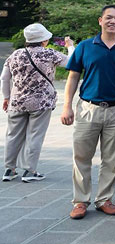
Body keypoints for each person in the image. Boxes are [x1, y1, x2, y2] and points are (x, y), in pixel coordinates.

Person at [61, 6, 115, 220]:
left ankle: (104, 199)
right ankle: (80, 200)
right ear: (100, 20)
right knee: (81, 156)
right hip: (88, 108)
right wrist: (67, 105)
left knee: (111, 158)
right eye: (109, 18)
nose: (113, 21)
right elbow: (73, 77)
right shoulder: (86, 46)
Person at [2, 24, 74, 182]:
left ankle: (9, 170)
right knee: (35, 135)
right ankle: (29, 171)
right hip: (41, 102)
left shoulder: (16, 54)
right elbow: (71, 62)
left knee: (13, 135)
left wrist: (6, 97)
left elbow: (4, 78)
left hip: (17, 101)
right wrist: (70, 46)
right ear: (44, 40)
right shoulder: (49, 54)